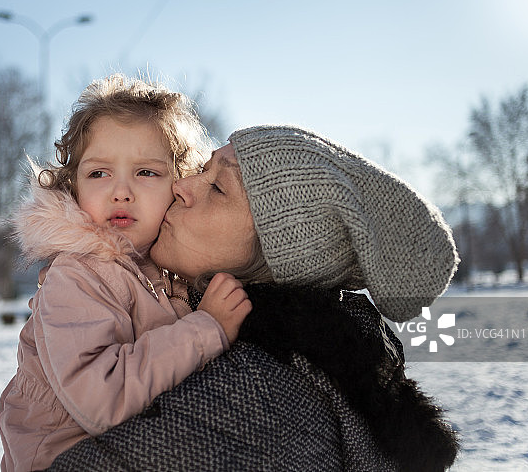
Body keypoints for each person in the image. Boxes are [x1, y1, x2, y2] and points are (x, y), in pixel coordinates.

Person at [44, 125, 461, 472]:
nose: (183, 186)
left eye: (218, 188)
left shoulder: (256, 397)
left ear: (280, 251)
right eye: (201, 169)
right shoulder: (316, 353)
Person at [0, 75, 252, 472]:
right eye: (99, 173)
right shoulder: (78, 275)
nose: (120, 191)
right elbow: (102, 398)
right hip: (64, 459)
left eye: (146, 173)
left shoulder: (165, 269)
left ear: (178, 185)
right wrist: (205, 329)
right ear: (74, 186)